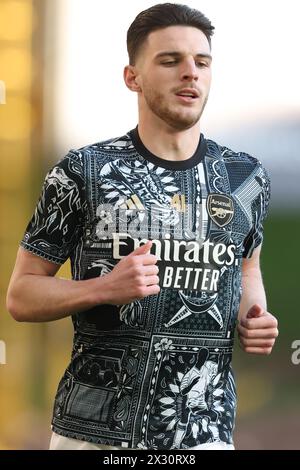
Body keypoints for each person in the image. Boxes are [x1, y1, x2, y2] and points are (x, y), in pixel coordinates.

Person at [6, 3, 279, 451]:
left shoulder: (245, 176)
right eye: (170, 61)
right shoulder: (83, 171)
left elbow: (247, 267)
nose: (190, 73)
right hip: (92, 434)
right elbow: (21, 296)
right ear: (132, 77)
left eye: (201, 62)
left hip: (204, 436)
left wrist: (256, 316)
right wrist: (103, 288)